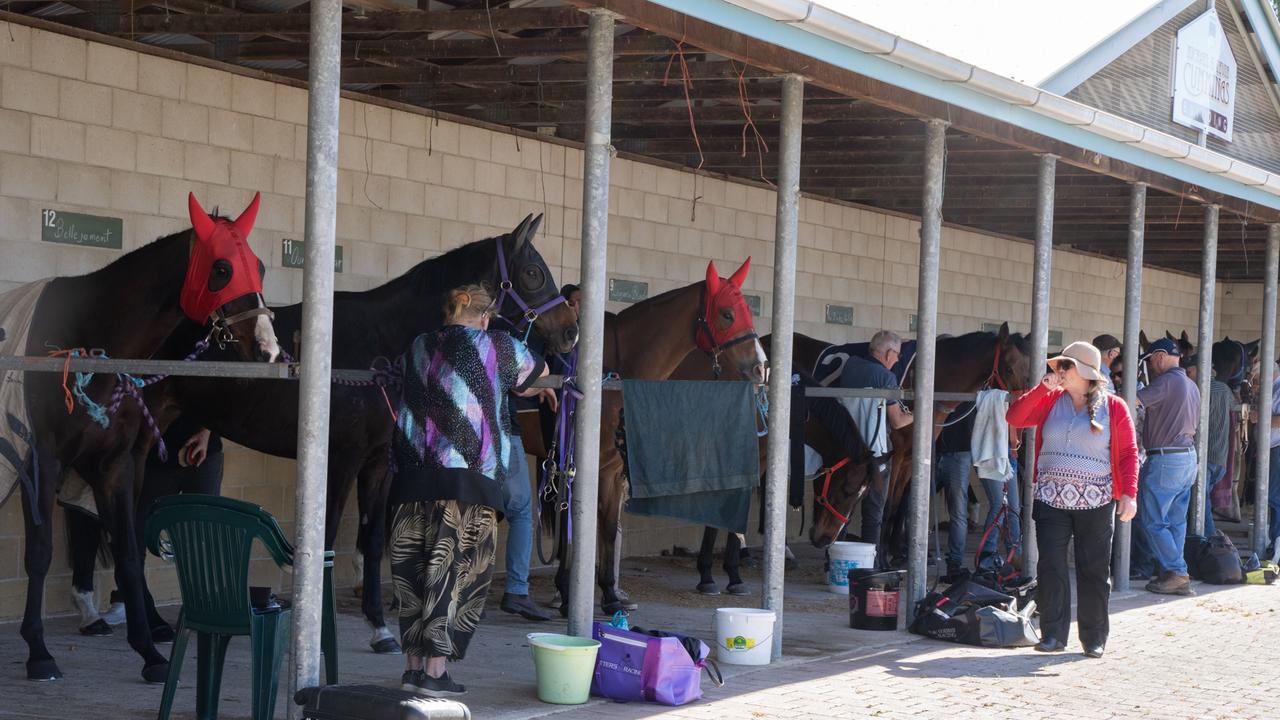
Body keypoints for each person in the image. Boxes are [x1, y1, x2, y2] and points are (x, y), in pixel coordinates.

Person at [389, 283, 548, 697]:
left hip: (409, 478)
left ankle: (411, 669)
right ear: (484, 317)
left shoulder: (418, 345)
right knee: (454, 573)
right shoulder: (496, 343)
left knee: (414, 575)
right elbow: (537, 376)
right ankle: (435, 671)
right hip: (465, 480)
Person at [1006, 341, 1139, 658]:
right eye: (1058, 366)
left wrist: (1129, 495)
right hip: (1051, 499)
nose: (1058, 372)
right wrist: (1040, 388)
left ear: (1084, 372)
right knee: (1051, 567)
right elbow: (1015, 417)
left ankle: (1094, 638)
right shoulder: (1050, 399)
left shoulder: (1114, 407)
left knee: (1093, 570)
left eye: (1064, 366)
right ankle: (1053, 635)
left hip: (1096, 501)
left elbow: (1128, 454)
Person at [64, 418, 222, 637]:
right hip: (151, 455)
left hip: (197, 450)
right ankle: (126, 598)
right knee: (132, 533)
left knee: (202, 534)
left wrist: (206, 431)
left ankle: (200, 606)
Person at [1131, 337, 1200, 595]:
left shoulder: (1167, 381)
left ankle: (1178, 572)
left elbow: (1133, 401)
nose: (1150, 367)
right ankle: (1172, 572)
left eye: (1150, 361)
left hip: (1166, 458)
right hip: (1187, 457)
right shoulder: (1191, 385)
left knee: (1152, 520)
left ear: (1159, 357)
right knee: (1175, 522)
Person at [837, 330, 913, 562]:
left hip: (847, 451)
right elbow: (897, 421)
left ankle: (837, 562)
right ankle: (872, 564)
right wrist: (920, 413)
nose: (899, 359)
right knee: (873, 514)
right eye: (898, 355)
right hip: (876, 454)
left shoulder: (851, 366)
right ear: (889, 353)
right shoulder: (886, 377)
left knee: (843, 511)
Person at [934, 406, 974, 581]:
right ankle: (908, 552)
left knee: (958, 512)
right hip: (939, 452)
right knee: (913, 504)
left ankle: (954, 564)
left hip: (958, 453)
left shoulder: (975, 389)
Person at [1202, 367, 1233, 539]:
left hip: (1206, 456)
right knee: (1203, 503)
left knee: (1201, 504)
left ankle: (1210, 541)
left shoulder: (1200, 389)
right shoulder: (1224, 389)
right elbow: (1235, 407)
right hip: (1221, 457)